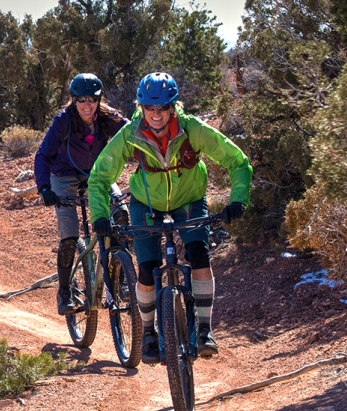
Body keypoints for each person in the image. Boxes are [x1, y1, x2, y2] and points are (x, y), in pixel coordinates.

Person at [87, 72, 251, 362]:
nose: (156, 114)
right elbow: (100, 176)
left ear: (173, 107)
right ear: (141, 108)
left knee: (199, 254)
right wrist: (100, 214)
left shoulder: (193, 129)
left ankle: (204, 329)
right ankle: (149, 332)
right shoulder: (131, 134)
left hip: (188, 199)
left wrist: (238, 200)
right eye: (150, 108)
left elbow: (237, 161)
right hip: (146, 204)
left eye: (162, 107)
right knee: (148, 269)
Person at [34, 73, 129, 315]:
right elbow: (43, 155)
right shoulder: (63, 121)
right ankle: (64, 292)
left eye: (92, 99)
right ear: (73, 100)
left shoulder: (108, 117)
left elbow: (134, 131)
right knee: (69, 235)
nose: (87, 105)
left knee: (121, 213)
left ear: (99, 99)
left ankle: (120, 272)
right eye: (81, 100)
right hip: (63, 175)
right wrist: (44, 187)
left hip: (97, 174)